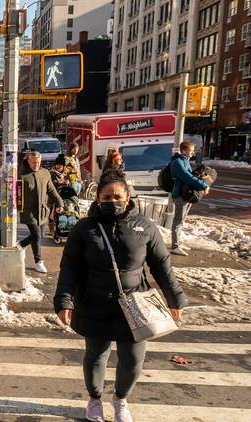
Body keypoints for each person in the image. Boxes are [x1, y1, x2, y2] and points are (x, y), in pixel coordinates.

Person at [54, 169, 186, 422]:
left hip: (134, 304)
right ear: (97, 199)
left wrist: (174, 298)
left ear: (127, 198)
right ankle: (94, 400)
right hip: (94, 303)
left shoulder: (144, 226)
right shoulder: (84, 228)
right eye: (106, 197)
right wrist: (64, 300)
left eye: (117, 196)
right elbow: (70, 266)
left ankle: (120, 399)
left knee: (133, 360)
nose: (111, 201)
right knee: (96, 354)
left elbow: (161, 264)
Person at [19, 151, 64, 273]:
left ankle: (19, 246)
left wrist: (60, 203)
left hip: (43, 211)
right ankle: (39, 261)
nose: (36, 165)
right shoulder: (21, 174)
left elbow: (52, 190)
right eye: (33, 163)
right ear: (28, 161)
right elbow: (15, 194)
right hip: (29, 212)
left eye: (38, 163)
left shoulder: (45, 173)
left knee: (39, 236)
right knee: (37, 235)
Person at [169, 141, 209, 256]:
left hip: (186, 194)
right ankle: (175, 246)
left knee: (181, 220)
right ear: (183, 151)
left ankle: (177, 243)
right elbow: (187, 177)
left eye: (192, 151)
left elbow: (190, 176)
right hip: (180, 195)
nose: (192, 154)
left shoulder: (184, 161)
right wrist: (203, 185)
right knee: (178, 221)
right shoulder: (177, 162)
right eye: (190, 151)